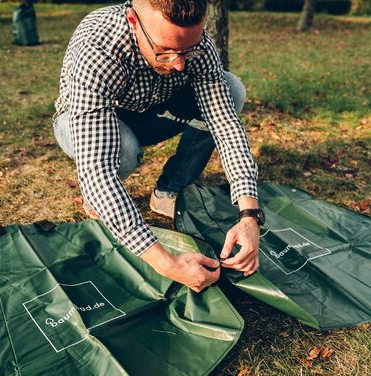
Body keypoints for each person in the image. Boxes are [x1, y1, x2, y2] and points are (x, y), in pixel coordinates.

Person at [53, 0, 261, 293]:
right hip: (90, 122)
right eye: (164, 51)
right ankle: (98, 202)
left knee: (232, 88)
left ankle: (167, 191)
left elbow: (225, 125)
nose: (179, 63)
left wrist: (249, 215)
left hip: (154, 111)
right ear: (134, 22)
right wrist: (168, 264)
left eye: (187, 51)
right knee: (120, 150)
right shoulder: (98, 47)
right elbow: (96, 167)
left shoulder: (197, 45)